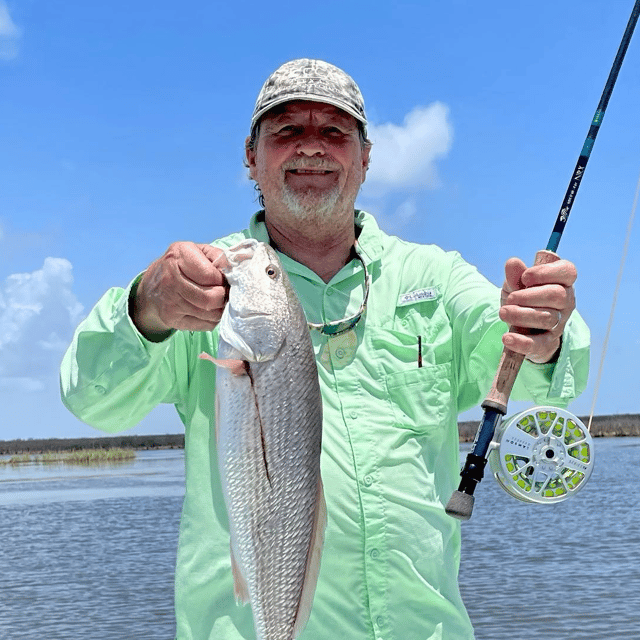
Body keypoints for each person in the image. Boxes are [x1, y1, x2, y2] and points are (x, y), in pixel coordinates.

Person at [60, 59, 590, 640]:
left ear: (365, 158)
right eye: (287, 130)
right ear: (251, 157)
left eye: (334, 132)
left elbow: (537, 369)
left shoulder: (436, 278)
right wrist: (146, 306)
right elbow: (92, 399)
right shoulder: (201, 280)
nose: (311, 147)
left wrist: (545, 329)